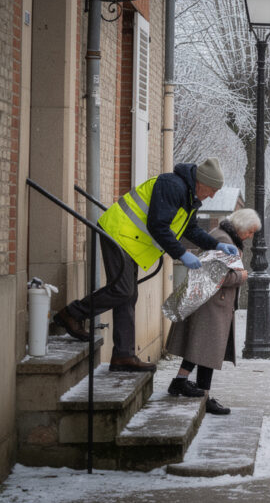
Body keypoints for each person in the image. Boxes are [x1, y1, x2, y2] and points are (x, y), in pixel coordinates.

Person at [52, 158, 238, 372]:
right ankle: (73, 313)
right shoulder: (172, 186)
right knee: (123, 290)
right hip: (117, 233)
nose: (212, 195)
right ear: (201, 181)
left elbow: (190, 229)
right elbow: (158, 225)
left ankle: (123, 356)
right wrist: (181, 253)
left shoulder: (189, 197)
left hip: (130, 242)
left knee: (128, 295)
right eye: (212, 189)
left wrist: (216, 245)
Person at [164, 208, 260, 415]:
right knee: (208, 350)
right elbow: (215, 276)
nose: (251, 236)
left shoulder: (224, 236)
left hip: (213, 303)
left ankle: (180, 381)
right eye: (250, 231)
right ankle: (203, 395)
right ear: (241, 226)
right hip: (212, 303)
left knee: (203, 347)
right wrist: (241, 277)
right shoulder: (222, 238)